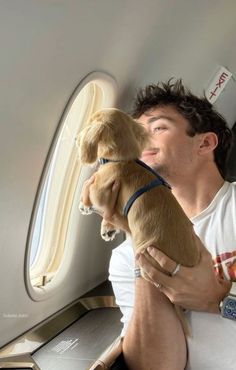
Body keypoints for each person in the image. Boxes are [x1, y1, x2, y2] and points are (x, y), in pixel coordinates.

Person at [82, 80, 236, 369]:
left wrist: (220, 300)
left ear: (205, 142)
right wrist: (142, 237)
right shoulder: (127, 256)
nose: (138, 139)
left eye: (158, 127)